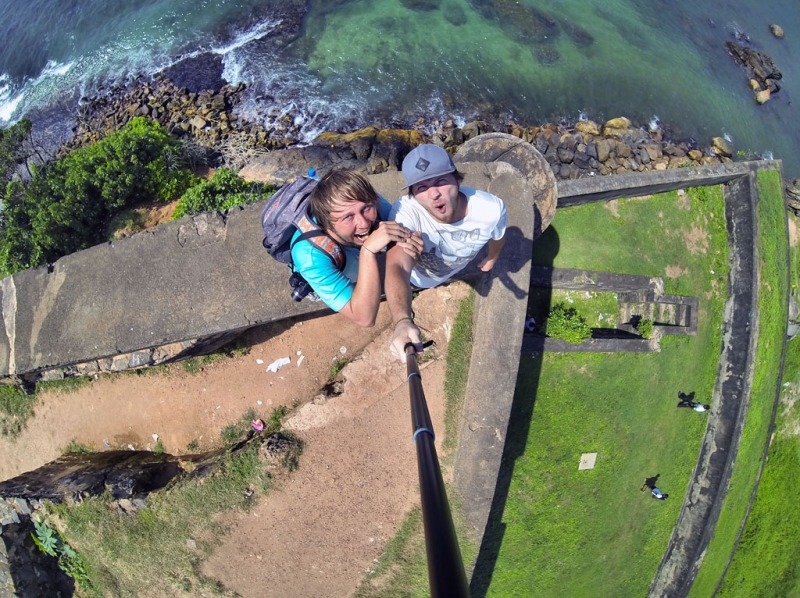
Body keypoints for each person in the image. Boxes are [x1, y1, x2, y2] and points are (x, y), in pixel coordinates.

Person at [385, 144, 508, 361]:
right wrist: (403, 320)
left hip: (448, 271)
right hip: (416, 279)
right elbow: (397, 265)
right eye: (421, 188)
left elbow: (497, 236)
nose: (433, 194)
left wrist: (491, 258)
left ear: (457, 180)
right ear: (413, 195)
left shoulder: (491, 210)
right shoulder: (406, 214)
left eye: (441, 181)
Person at [290, 169, 423, 327]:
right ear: (327, 223)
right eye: (348, 217)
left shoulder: (368, 201)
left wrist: (407, 246)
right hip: (329, 260)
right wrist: (368, 251)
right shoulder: (311, 256)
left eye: (366, 209)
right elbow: (364, 318)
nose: (364, 223)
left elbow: (406, 240)